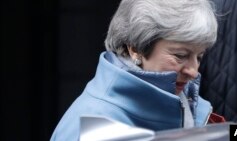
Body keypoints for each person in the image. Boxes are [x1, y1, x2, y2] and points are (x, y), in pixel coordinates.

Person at [51, 0, 219, 140]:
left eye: (199, 56)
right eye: (180, 55)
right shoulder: (87, 125)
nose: (194, 71)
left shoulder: (190, 106)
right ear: (135, 49)